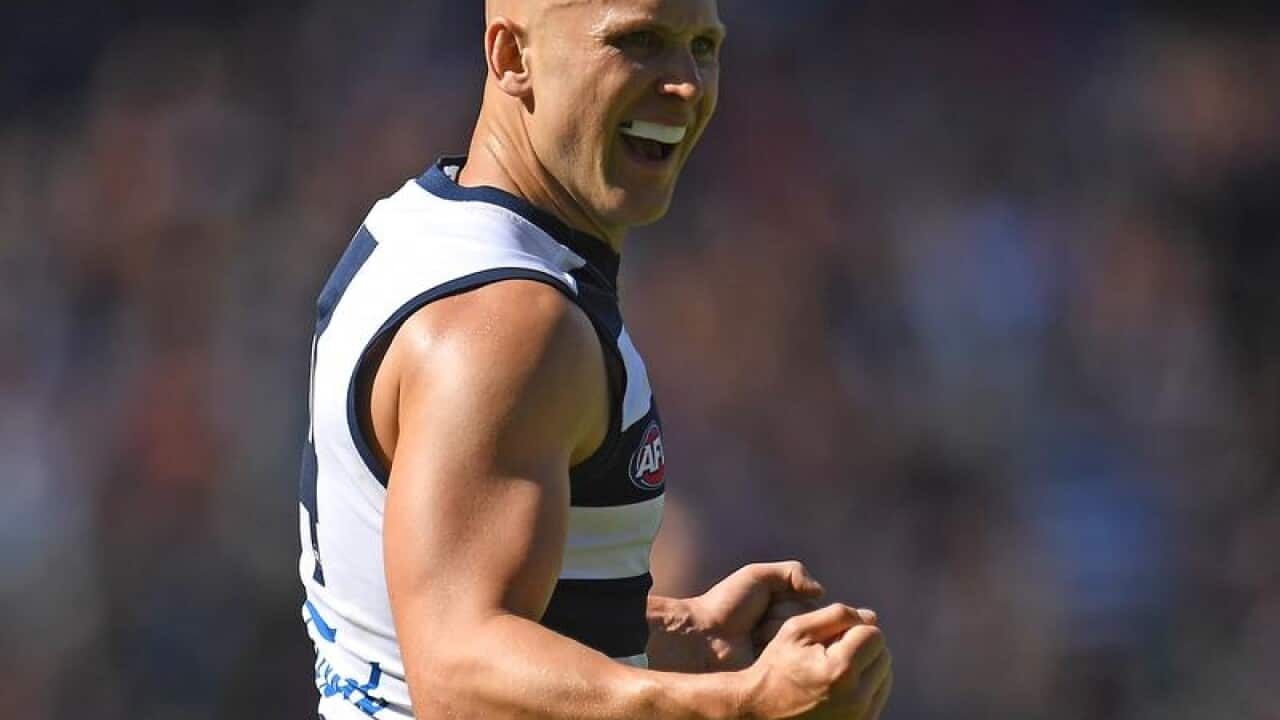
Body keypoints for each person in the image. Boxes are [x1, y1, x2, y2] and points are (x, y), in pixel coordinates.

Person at [298, 1, 893, 717]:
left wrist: (683, 638)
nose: (686, 85)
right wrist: (739, 707)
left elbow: (421, 604)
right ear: (512, 59)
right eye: (639, 42)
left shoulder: (419, 225)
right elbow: (457, 675)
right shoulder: (515, 326)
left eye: (703, 47)